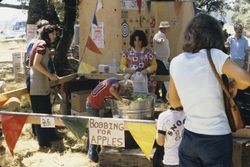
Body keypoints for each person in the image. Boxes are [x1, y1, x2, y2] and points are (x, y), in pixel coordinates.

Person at [169, 14, 250, 167]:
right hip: (216, 140)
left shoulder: (176, 62)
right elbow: (246, 79)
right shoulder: (216, 56)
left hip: (190, 137)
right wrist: (235, 87)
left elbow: (173, 101)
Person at [29, 24, 64, 152]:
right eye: (53, 33)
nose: (55, 36)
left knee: (47, 112)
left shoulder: (42, 43)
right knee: (40, 114)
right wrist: (50, 75)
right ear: (47, 33)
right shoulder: (42, 44)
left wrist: (50, 75)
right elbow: (36, 64)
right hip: (37, 85)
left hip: (42, 83)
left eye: (55, 33)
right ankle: (43, 143)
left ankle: (50, 135)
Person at [86, 77, 133, 162]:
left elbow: (109, 93)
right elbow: (112, 90)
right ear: (122, 86)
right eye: (124, 91)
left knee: (93, 130)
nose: (122, 93)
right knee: (94, 131)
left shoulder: (112, 80)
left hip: (94, 104)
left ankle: (91, 151)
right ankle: (92, 157)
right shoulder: (115, 84)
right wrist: (122, 100)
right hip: (92, 106)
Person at [153, 21, 171, 102]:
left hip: (164, 60)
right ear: (163, 28)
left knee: (160, 78)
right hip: (160, 60)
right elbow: (158, 40)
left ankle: (158, 95)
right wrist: (160, 40)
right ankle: (164, 96)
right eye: (166, 28)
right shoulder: (158, 35)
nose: (167, 29)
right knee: (164, 78)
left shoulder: (164, 36)